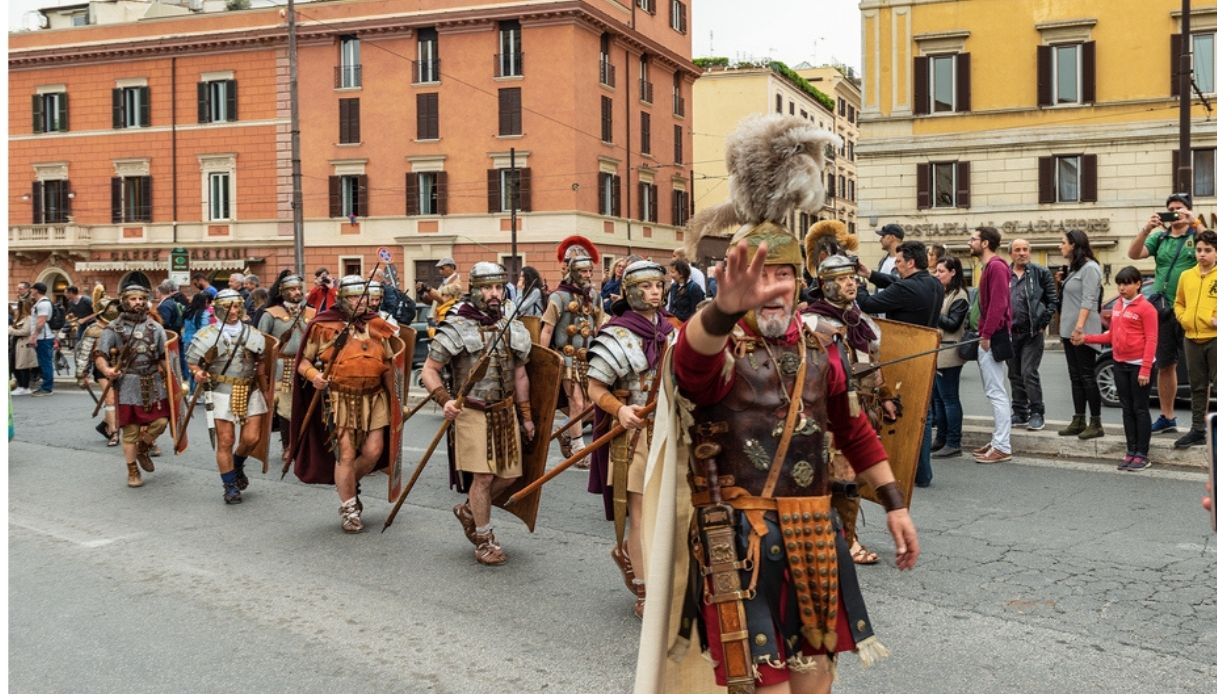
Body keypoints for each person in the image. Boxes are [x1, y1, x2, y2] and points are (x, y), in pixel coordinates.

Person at [636, 114, 918, 693]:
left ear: (801, 279)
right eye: (762, 275)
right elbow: (692, 368)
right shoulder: (720, 342)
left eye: (786, 273)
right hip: (739, 542)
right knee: (765, 688)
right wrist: (721, 310)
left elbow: (854, 430)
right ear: (737, 280)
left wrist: (893, 503)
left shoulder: (823, 349)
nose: (775, 287)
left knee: (817, 682)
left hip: (815, 532)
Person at [420, 262, 535, 565]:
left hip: (505, 411)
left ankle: (469, 510)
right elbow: (430, 370)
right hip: (471, 411)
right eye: (486, 287)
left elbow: (520, 374)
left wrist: (526, 416)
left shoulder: (512, 322)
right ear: (474, 289)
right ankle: (484, 538)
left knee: (510, 475)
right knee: (483, 477)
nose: (494, 293)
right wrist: (444, 399)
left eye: (497, 286)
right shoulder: (458, 324)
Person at [586, 260, 673, 616]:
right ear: (630, 291)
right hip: (632, 439)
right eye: (647, 286)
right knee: (640, 515)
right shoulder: (615, 334)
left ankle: (652, 571)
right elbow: (594, 387)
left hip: (666, 433)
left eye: (659, 285)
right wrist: (619, 411)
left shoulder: (672, 331)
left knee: (665, 512)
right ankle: (644, 589)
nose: (655, 291)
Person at [292, 275, 403, 533]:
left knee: (374, 451)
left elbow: (389, 367)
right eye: (354, 296)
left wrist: (397, 402)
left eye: (363, 296)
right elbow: (303, 362)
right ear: (342, 298)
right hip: (340, 397)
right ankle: (350, 509)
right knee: (346, 454)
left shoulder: (378, 325)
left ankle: (348, 484)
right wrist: (315, 376)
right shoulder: (323, 326)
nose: (360, 302)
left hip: (375, 397)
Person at [856, 239, 943, 483]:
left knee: (898, 412)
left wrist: (859, 284)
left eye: (899, 263)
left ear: (911, 262)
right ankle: (923, 472)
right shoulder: (933, 283)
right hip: (926, 356)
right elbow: (896, 283)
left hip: (905, 356)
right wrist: (870, 274)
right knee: (921, 416)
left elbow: (867, 304)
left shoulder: (907, 289)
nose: (896, 267)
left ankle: (902, 469)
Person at [187, 289, 273, 504]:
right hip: (220, 390)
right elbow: (192, 361)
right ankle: (230, 486)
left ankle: (238, 462)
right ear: (218, 309)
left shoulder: (252, 333)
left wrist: (266, 388)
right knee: (226, 440)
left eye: (236, 307)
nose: (233, 311)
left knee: (251, 438)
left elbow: (261, 362)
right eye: (228, 307)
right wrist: (198, 373)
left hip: (249, 389)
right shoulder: (206, 334)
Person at [94, 284, 178, 488]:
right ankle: (132, 470)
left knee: (161, 422)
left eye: (141, 299)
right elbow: (99, 356)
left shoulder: (155, 327)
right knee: (130, 431)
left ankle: (143, 447)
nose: (138, 303)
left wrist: (169, 373)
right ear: (124, 301)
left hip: (153, 382)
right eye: (133, 299)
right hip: (128, 383)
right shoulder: (113, 328)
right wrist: (107, 371)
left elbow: (162, 357)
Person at [1128, 192, 1199, 435]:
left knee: (1200, 368)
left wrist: (1195, 222)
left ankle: (1200, 424)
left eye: (1180, 209)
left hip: (1191, 307)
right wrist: (1146, 229)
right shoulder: (1160, 238)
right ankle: (1167, 416)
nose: (1175, 213)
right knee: (1166, 364)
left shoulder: (1196, 237)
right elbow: (1134, 254)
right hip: (1163, 309)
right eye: (1172, 209)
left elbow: (1213, 246)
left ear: (1188, 211)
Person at [1080, 266, 1158, 470]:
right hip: (1120, 363)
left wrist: (1145, 369)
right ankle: (1131, 451)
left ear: (1138, 284)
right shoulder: (1118, 306)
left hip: (1139, 365)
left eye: (1127, 283)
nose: (1122, 288)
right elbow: (1111, 336)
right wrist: (1086, 339)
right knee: (1126, 409)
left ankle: (1142, 453)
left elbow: (1151, 339)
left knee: (1140, 409)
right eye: (1120, 284)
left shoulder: (1146, 308)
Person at [540, 236, 603, 459]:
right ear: (573, 272)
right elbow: (547, 329)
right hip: (566, 358)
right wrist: (542, 361)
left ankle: (566, 433)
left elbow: (598, 326)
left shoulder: (595, 296)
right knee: (576, 402)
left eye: (589, 271)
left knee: (589, 406)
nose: (587, 275)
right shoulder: (559, 296)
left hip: (588, 358)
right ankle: (578, 448)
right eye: (583, 271)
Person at [967, 226, 1015, 463]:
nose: (970, 242)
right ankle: (999, 439)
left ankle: (1002, 445)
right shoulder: (992, 266)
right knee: (995, 390)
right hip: (991, 334)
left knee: (996, 392)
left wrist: (986, 334)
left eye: (973, 239)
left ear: (985, 243)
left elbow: (998, 304)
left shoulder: (995, 267)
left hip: (992, 336)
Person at [257, 271, 316, 463]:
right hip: (284, 365)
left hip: (309, 364)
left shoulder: (312, 313)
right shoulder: (271, 314)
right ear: (283, 292)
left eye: (299, 288)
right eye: (292, 289)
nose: (297, 292)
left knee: (308, 406)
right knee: (286, 408)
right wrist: (264, 373)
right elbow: (262, 344)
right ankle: (288, 445)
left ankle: (307, 445)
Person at [1057, 229, 1105, 440]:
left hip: (1082, 331)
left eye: (1063, 242)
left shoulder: (1091, 268)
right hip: (1068, 331)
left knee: (1087, 377)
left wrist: (1079, 327)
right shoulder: (1075, 269)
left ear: (1074, 245)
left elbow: (1089, 300)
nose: (1061, 246)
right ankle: (1078, 420)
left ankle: (1096, 423)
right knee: (1075, 377)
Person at [1171, 229, 1217, 449]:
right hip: (1191, 337)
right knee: (1197, 387)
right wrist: (1183, 318)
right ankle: (1198, 429)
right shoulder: (1186, 275)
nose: (1202, 254)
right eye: (1199, 250)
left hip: (1215, 337)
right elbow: (1178, 302)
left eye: (1207, 250)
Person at [1007, 238, 1058, 431]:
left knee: (1028, 373)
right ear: (1011, 253)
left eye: (1025, 249)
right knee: (1014, 374)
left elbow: (1053, 301)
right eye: (1017, 250)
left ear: (1030, 251)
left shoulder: (1041, 273)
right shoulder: (1004, 274)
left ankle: (1037, 413)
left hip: (1032, 333)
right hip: (1010, 333)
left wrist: (1042, 323)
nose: (1022, 253)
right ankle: (1020, 412)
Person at [931, 256, 969, 459]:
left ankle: (954, 442)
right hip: (938, 352)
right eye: (936, 271)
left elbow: (953, 324)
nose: (937, 275)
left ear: (953, 272)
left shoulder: (959, 295)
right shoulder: (944, 293)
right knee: (938, 398)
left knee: (949, 399)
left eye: (941, 271)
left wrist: (934, 309)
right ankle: (941, 439)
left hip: (949, 353)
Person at [76, 299, 122, 445]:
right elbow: (84, 353)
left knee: (121, 401)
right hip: (102, 368)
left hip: (122, 368)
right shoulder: (93, 330)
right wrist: (81, 374)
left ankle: (105, 424)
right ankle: (114, 432)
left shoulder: (122, 327)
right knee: (110, 399)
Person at [418, 258, 462, 335]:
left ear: (451, 267)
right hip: (436, 319)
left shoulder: (456, 283)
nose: (440, 271)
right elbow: (434, 301)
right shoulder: (445, 282)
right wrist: (422, 294)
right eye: (439, 268)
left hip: (445, 320)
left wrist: (428, 289)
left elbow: (443, 300)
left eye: (442, 268)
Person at [28, 282, 56, 397]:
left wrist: (33, 337)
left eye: (32, 289)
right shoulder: (40, 302)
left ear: (36, 290)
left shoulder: (43, 304)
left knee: (45, 362)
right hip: (42, 337)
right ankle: (45, 386)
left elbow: (40, 322)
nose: (31, 291)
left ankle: (47, 388)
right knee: (44, 362)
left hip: (43, 337)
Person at [10, 299, 40, 396]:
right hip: (17, 344)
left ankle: (25, 387)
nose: (16, 309)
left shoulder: (29, 319)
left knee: (23, 367)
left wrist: (10, 330)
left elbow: (26, 331)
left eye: (19, 307)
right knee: (15, 366)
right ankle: (20, 386)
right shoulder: (19, 318)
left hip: (23, 344)